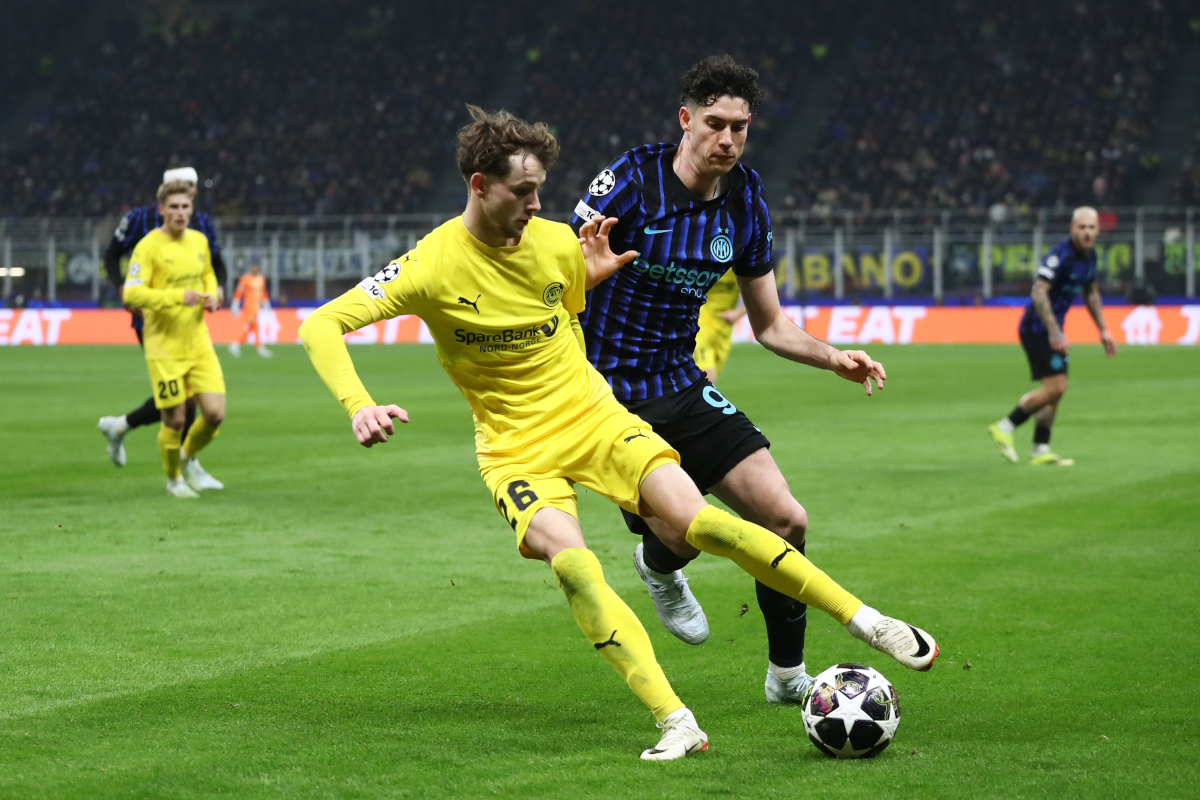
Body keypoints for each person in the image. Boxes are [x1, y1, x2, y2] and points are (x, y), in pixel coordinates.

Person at [299, 106, 937, 761]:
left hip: (596, 419)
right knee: (574, 567)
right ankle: (676, 721)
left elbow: (566, 310)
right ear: (479, 185)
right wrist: (359, 405)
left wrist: (589, 277)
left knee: (702, 523)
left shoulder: (554, 243)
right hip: (514, 450)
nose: (537, 204)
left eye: (540, 190)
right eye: (523, 192)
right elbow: (320, 325)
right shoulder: (431, 264)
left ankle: (871, 622)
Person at [570, 55, 895, 704]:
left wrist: (833, 356)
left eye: (739, 128)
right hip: (606, 398)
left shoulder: (745, 199)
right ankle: (660, 567)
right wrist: (581, 275)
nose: (727, 139)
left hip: (681, 382)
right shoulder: (630, 182)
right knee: (684, 531)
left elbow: (770, 324)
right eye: (714, 124)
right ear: (685, 120)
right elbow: (549, 283)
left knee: (787, 521)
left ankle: (786, 677)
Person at [97, 166, 226, 491]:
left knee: (208, 410)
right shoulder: (142, 229)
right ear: (162, 206)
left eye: (188, 202)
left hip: (196, 337)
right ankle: (176, 476)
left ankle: (181, 457)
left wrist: (216, 293)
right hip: (158, 334)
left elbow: (212, 267)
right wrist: (170, 297)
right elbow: (117, 264)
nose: (183, 209)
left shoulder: (200, 232)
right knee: (177, 411)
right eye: (176, 203)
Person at [988, 206, 1117, 465]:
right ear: (1072, 229)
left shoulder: (1089, 257)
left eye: (1092, 228)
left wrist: (1103, 329)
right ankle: (1005, 426)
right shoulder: (1061, 255)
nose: (1087, 233)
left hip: (1052, 329)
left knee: (1057, 390)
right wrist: (1054, 331)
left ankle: (1040, 449)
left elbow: (1090, 292)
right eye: (1082, 227)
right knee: (1056, 386)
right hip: (1037, 328)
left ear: (1098, 231)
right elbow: (1039, 291)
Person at [693, 269, 746, 384]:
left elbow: (759, 292)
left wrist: (737, 313)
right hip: (700, 326)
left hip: (724, 329)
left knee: (707, 382)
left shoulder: (739, 264)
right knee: (707, 381)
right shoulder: (706, 260)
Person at [229, 261, 272, 357]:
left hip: (257, 307)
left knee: (253, 326)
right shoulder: (245, 279)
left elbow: (263, 293)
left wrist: (266, 303)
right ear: (251, 267)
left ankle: (240, 345)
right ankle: (239, 345)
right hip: (249, 307)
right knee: (252, 325)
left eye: (257, 267)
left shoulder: (261, 278)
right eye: (253, 266)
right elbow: (239, 292)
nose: (255, 268)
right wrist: (235, 305)